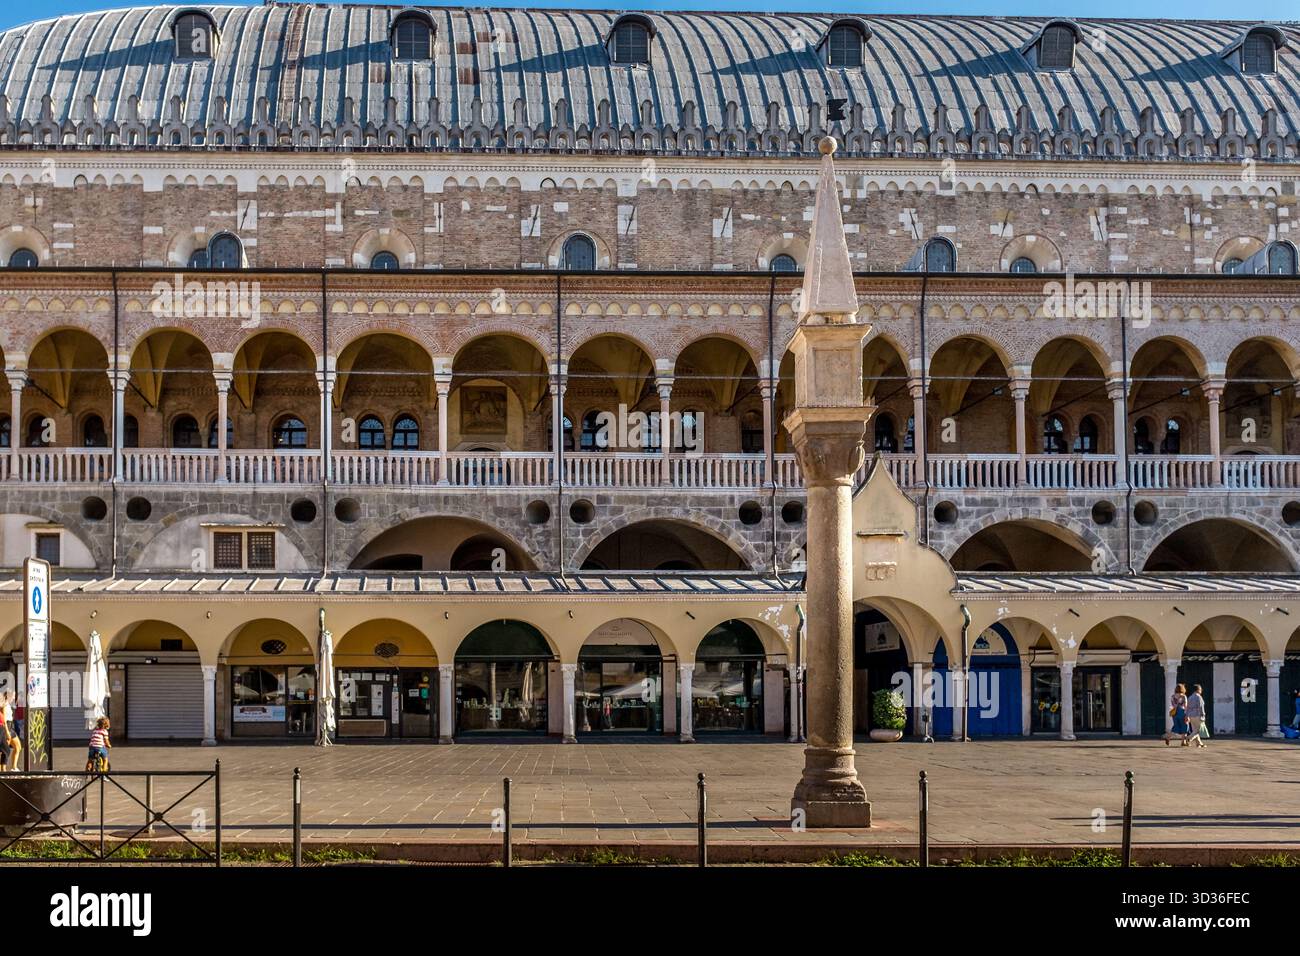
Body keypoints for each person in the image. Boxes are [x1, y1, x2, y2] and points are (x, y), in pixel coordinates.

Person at [1186, 684, 1208, 749]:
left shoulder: (1189, 697)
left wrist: (1187, 716)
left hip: (1191, 715)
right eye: (1200, 689)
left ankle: (1199, 744)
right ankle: (1189, 738)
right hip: (1198, 715)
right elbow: (1201, 707)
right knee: (1197, 731)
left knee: (1194, 730)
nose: (1201, 690)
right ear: (1198, 690)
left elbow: (1188, 708)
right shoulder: (1199, 697)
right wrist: (1203, 715)